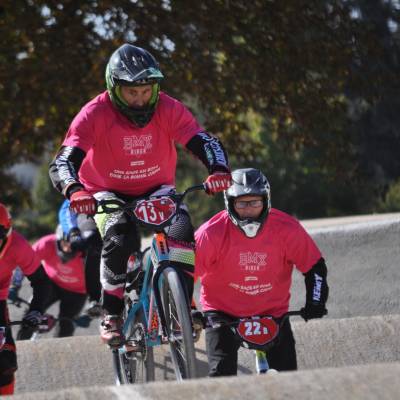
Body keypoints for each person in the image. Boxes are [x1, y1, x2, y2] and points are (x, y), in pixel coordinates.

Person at [48, 43, 231, 347]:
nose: (140, 99)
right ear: (114, 88)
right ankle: (111, 313)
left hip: (156, 189)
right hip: (106, 193)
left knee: (181, 232)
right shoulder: (94, 113)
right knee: (120, 239)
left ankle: (184, 305)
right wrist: (75, 190)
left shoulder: (168, 107)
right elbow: (64, 161)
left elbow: (202, 140)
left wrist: (219, 169)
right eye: (131, 92)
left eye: (147, 91)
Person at [194, 168, 329, 376]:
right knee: (221, 375)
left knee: (289, 379)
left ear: (266, 201)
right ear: (229, 203)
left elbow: (315, 267)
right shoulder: (210, 234)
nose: (249, 210)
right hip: (222, 313)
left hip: (272, 313)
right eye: (242, 203)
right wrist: (190, 309)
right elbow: (185, 274)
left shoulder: (287, 228)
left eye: (255, 202)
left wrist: (316, 301)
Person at [0, 203, 50, 395]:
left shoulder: (18, 246)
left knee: (5, 361)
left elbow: (41, 282)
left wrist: (35, 311)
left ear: (7, 234)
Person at [15, 225, 89, 339]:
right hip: (51, 283)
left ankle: (60, 349)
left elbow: (101, 280)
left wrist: (94, 309)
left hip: (77, 292)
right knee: (31, 315)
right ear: (58, 240)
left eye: (73, 245)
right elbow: (24, 262)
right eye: (65, 243)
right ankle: (21, 345)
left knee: (66, 326)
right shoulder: (47, 243)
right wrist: (14, 285)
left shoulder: (87, 253)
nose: (68, 249)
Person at [58, 199, 102, 317]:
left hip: (118, 217)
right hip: (90, 223)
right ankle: (95, 299)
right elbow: (67, 208)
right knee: (93, 244)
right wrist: (73, 231)